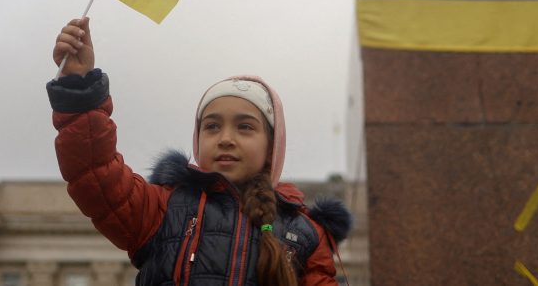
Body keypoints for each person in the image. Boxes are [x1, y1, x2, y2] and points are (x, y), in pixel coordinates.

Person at [48, 17, 352, 285]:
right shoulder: (162, 207)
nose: (225, 139)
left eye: (245, 127)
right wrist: (78, 87)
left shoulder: (304, 234)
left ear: (272, 146)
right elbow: (94, 171)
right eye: (212, 126)